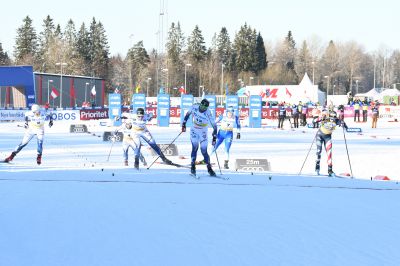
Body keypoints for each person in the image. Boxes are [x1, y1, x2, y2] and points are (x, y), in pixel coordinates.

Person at [182, 98, 217, 176]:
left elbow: (214, 126)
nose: (202, 108)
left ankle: (209, 168)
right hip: (194, 129)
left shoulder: (208, 112)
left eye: (205, 108)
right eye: (201, 106)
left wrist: (214, 137)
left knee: (204, 151)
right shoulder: (194, 107)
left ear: (207, 108)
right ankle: (193, 167)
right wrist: (184, 124)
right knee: (195, 148)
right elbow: (187, 115)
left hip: (203, 131)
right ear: (200, 104)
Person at [314, 110, 348, 176]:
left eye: (334, 117)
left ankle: (330, 170)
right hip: (319, 136)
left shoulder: (337, 120)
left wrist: (343, 124)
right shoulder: (326, 118)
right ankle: (317, 167)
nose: (332, 119)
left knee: (329, 154)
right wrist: (320, 119)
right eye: (331, 117)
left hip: (328, 137)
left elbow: (345, 126)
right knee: (319, 152)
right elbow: (314, 121)